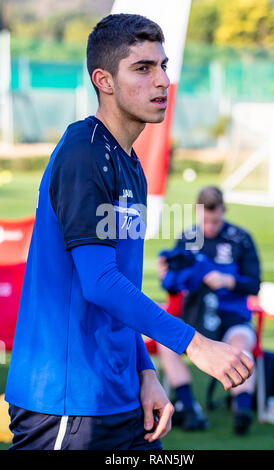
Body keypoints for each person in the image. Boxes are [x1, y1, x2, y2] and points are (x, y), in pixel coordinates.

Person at [5, 16, 253, 450]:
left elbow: (123, 284)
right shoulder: (84, 152)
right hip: (68, 403)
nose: (162, 80)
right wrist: (194, 344)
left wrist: (146, 372)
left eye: (163, 65)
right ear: (104, 80)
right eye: (143, 68)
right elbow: (99, 282)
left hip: (120, 395)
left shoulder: (131, 164)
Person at [158, 186, 260, 435]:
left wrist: (228, 281)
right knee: (166, 345)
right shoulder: (187, 238)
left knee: (240, 345)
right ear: (197, 212)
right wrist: (166, 277)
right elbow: (174, 288)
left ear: (224, 211)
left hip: (230, 315)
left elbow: (254, 283)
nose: (210, 227)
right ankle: (189, 407)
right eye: (206, 220)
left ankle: (242, 410)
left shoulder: (240, 238)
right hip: (195, 316)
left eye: (215, 220)